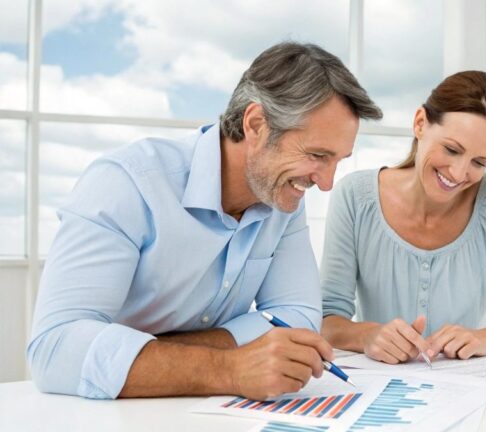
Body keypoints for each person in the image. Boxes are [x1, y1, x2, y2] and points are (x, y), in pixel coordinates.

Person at [27, 42, 382, 400]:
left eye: (338, 160)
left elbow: (300, 317)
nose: (326, 182)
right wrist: (228, 368)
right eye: (317, 155)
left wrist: (154, 358)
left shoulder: (282, 198)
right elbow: (54, 348)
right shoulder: (125, 185)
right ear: (256, 124)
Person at [320, 70, 486, 364]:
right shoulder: (355, 196)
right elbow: (327, 321)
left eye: (479, 162)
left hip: (465, 393)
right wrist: (367, 336)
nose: (458, 173)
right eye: (452, 150)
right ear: (420, 124)